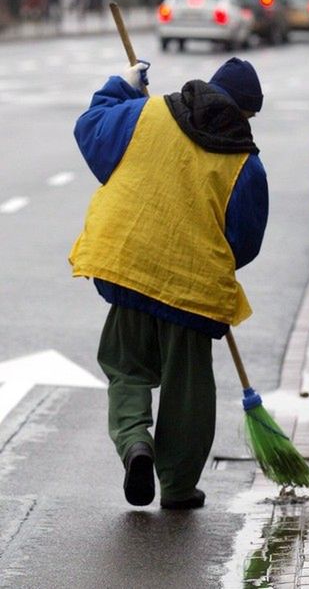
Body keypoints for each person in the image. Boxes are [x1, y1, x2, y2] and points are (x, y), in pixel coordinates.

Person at [69, 56, 268, 509]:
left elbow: (91, 130)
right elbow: (245, 243)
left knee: (125, 366)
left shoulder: (146, 112)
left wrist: (120, 86)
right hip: (192, 289)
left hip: (127, 263)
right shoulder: (244, 164)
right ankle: (178, 486)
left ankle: (135, 441)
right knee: (189, 386)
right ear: (245, 113)